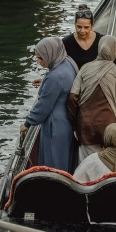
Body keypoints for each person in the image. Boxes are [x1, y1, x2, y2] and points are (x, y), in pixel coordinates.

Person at [68, 35, 116, 162]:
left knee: (86, 165)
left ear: (99, 49)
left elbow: (72, 97)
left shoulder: (85, 68)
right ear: (115, 51)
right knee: (109, 166)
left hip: (86, 126)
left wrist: (75, 124)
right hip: (110, 130)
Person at [20, 37, 78, 171]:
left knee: (53, 162)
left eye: (41, 58)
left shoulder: (55, 77)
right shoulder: (68, 62)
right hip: (67, 122)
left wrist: (27, 123)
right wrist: (45, 82)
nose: (38, 61)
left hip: (55, 126)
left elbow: (43, 107)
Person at [63, 5, 104, 69]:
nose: (82, 31)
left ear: (92, 26)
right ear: (75, 25)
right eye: (79, 27)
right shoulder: (66, 42)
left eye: (86, 27)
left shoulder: (101, 40)